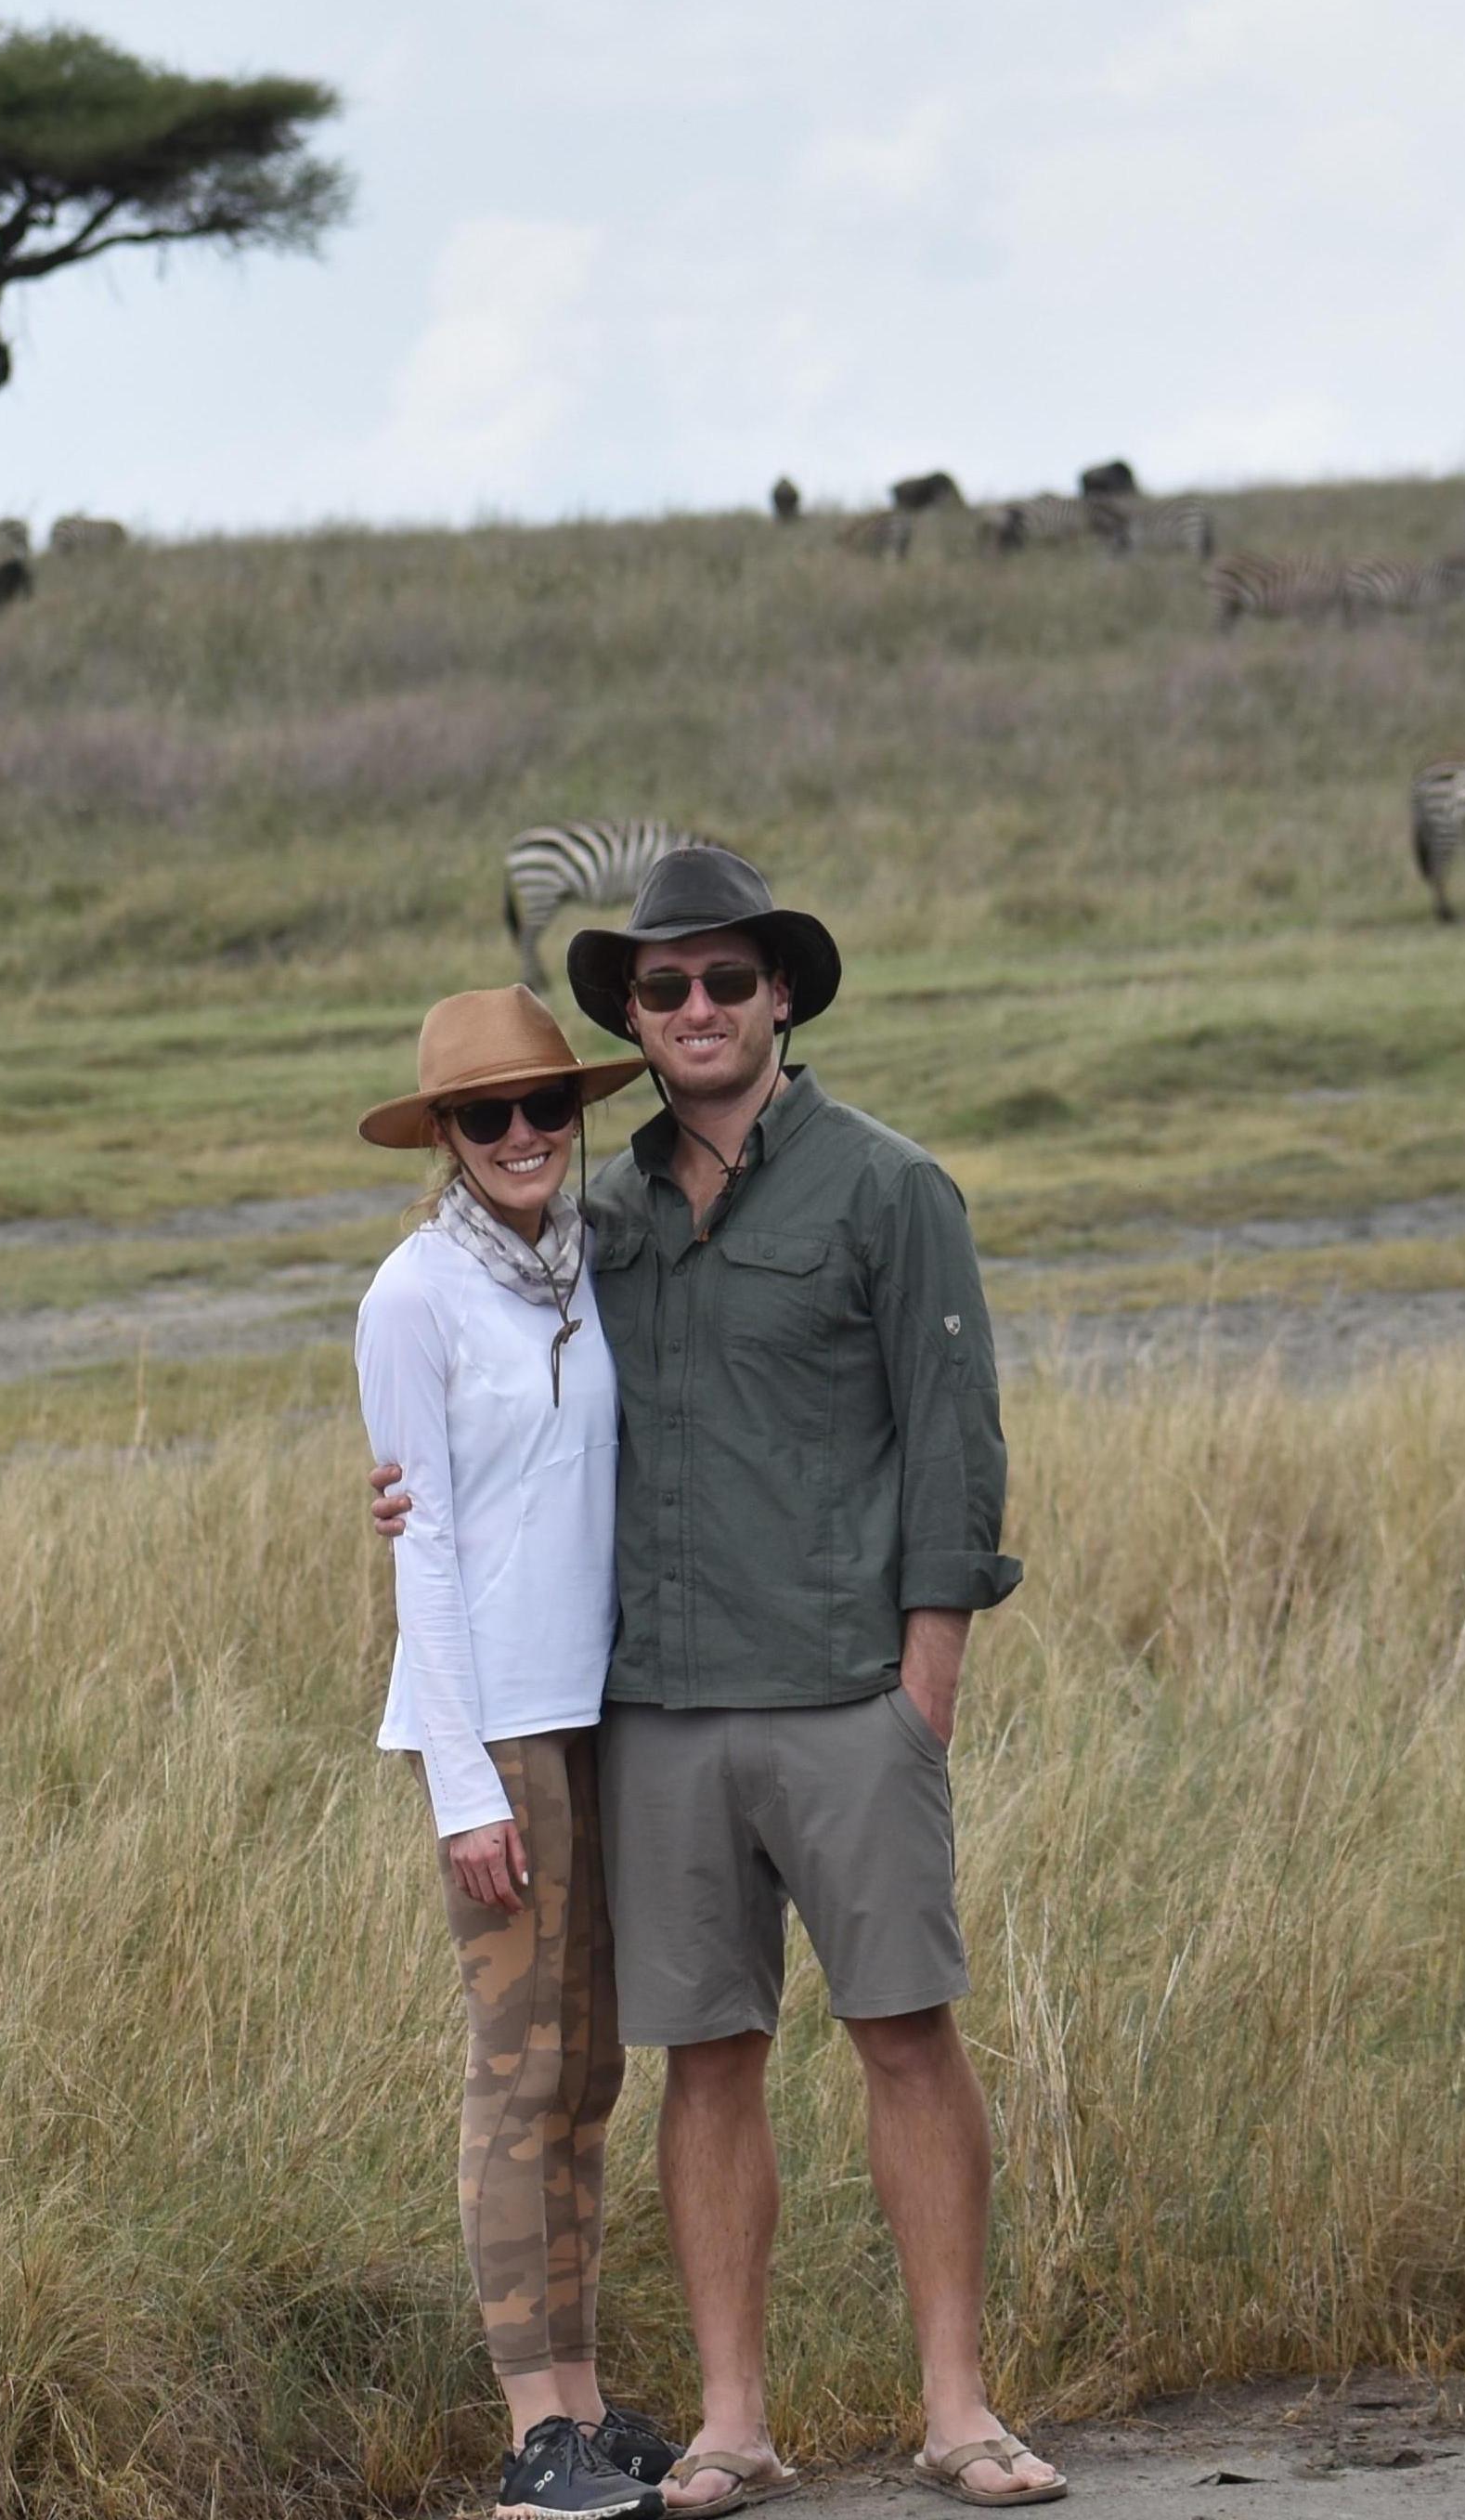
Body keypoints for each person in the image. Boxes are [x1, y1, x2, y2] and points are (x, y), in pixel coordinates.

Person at [374, 851, 1063, 2513]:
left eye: (725, 983)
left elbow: (958, 1456)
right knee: (706, 2059)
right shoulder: (591, 1223)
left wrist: (924, 1689)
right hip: (660, 1714)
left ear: (780, 1000)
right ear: (633, 1011)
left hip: (848, 1696)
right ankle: (730, 2425)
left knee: (907, 2033)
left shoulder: (892, 1192)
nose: (695, 1011)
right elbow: (479, 1411)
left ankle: (960, 2410)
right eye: (663, 988)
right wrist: (407, 1484)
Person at [355, 984, 683, 2520]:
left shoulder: (589, 1264)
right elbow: (420, 1550)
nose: (525, 1136)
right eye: (487, 1116)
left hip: (604, 1714)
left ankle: (593, 2402)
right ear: (444, 1136)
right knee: (516, 2073)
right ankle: (529, 2428)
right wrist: (466, 1783)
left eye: (549, 1107)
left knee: (594, 2069)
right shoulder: (411, 1296)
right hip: (494, 1727)